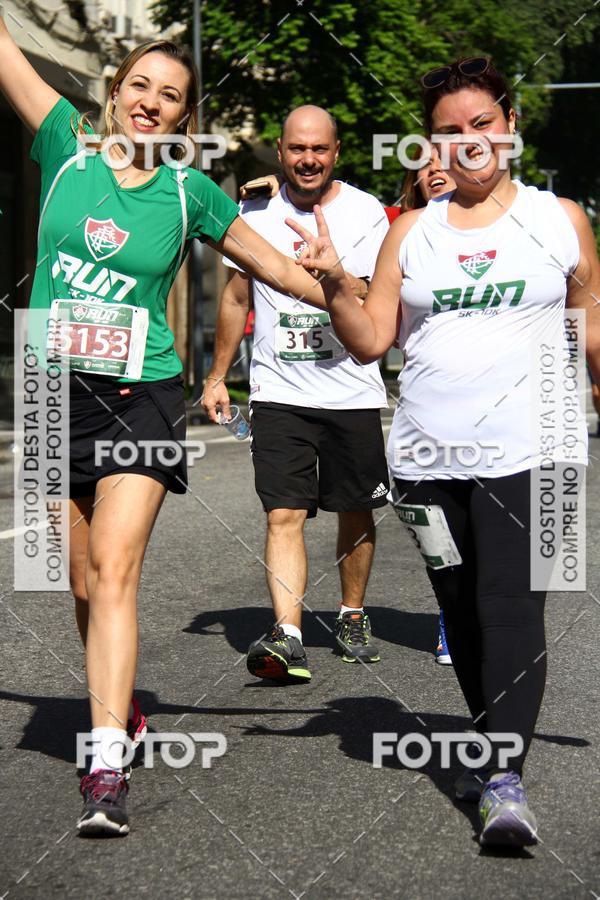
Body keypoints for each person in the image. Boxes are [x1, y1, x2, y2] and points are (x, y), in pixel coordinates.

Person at [0, 20, 347, 835]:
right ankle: (121, 707)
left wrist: (353, 292)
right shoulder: (64, 145)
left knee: (116, 570)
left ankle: (106, 763)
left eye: (170, 97)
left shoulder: (191, 192)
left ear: (184, 117)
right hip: (51, 387)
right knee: (80, 584)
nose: (151, 103)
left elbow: (274, 266)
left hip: (141, 393)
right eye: (140, 87)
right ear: (114, 93)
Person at [285, 57, 599, 848]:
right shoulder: (411, 232)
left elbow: (590, 320)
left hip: (540, 450)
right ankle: (489, 745)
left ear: (510, 126)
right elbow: (370, 341)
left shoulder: (560, 218)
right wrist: (335, 283)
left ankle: (504, 778)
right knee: (460, 612)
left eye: (482, 123)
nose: (469, 141)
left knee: (510, 602)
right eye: (449, 131)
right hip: (427, 458)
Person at [203, 105, 390, 683]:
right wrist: (216, 376)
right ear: (281, 152)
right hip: (279, 390)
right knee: (283, 512)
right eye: (298, 149)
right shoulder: (253, 211)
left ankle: (352, 613)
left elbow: (378, 294)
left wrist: (333, 275)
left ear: (336, 153)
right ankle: (288, 634)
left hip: (351, 389)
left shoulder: (367, 213)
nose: (309, 159)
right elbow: (236, 297)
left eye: (319, 149)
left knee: (355, 508)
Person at [398, 143, 456, 666]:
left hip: (498, 407)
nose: (434, 171)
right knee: (432, 520)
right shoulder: (397, 227)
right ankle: (451, 610)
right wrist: (263, 189)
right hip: (424, 404)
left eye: (444, 161)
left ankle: (496, 619)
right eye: (424, 165)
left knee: (494, 526)